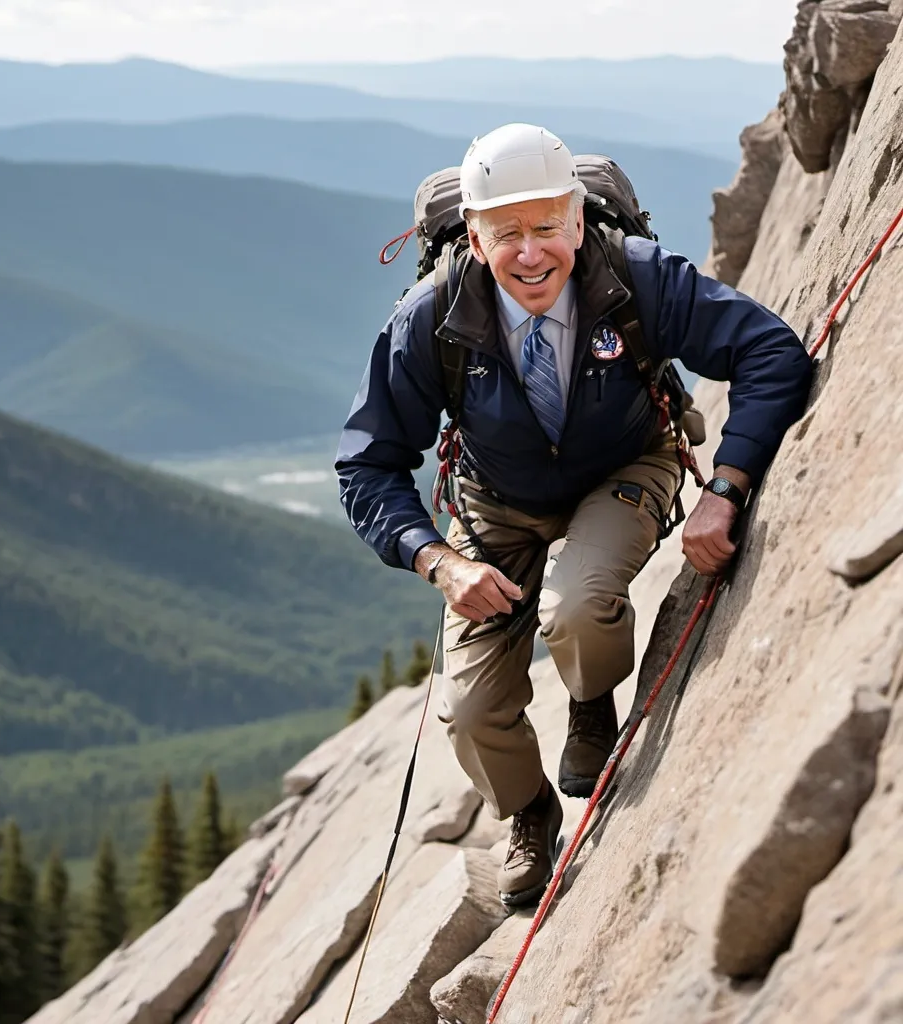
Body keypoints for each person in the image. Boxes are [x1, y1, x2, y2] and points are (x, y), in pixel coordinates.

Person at [335, 123, 813, 908]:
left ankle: (593, 703)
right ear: (477, 240)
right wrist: (438, 559)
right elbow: (367, 460)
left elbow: (769, 351)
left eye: (548, 228)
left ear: (580, 220)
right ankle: (528, 816)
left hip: (627, 463)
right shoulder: (434, 315)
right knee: (470, 709)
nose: (531, 254)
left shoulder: (632, 277)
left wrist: (726, 486)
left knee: (579, 604)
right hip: (494, 503)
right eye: (507, 234)